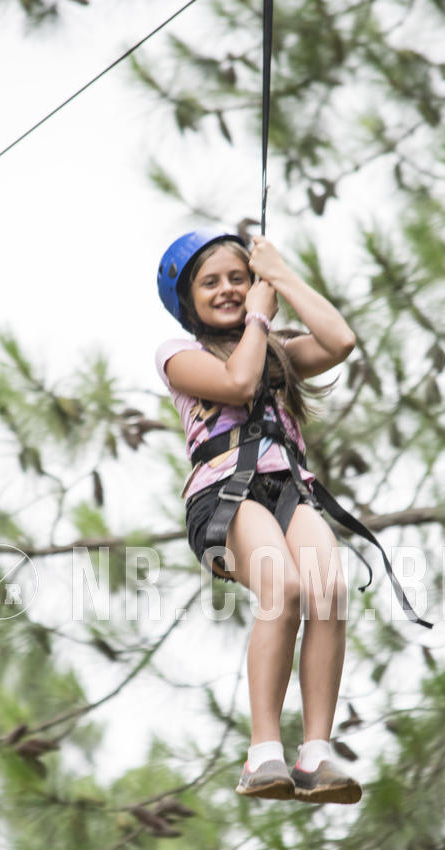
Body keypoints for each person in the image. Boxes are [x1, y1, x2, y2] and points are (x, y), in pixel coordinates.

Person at [155, 227, 361, 804]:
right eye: (210, 282)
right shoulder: (178, 356)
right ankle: (263, 749)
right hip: (225, 494)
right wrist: (260, 319)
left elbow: (340, 340)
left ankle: (316, 751)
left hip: (289, 488)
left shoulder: (277, 352)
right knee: (285, 586)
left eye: (238, 279)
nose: (226, 289)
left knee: (328, 588)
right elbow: (238, 382)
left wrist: (282, 275)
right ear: (188, 301)